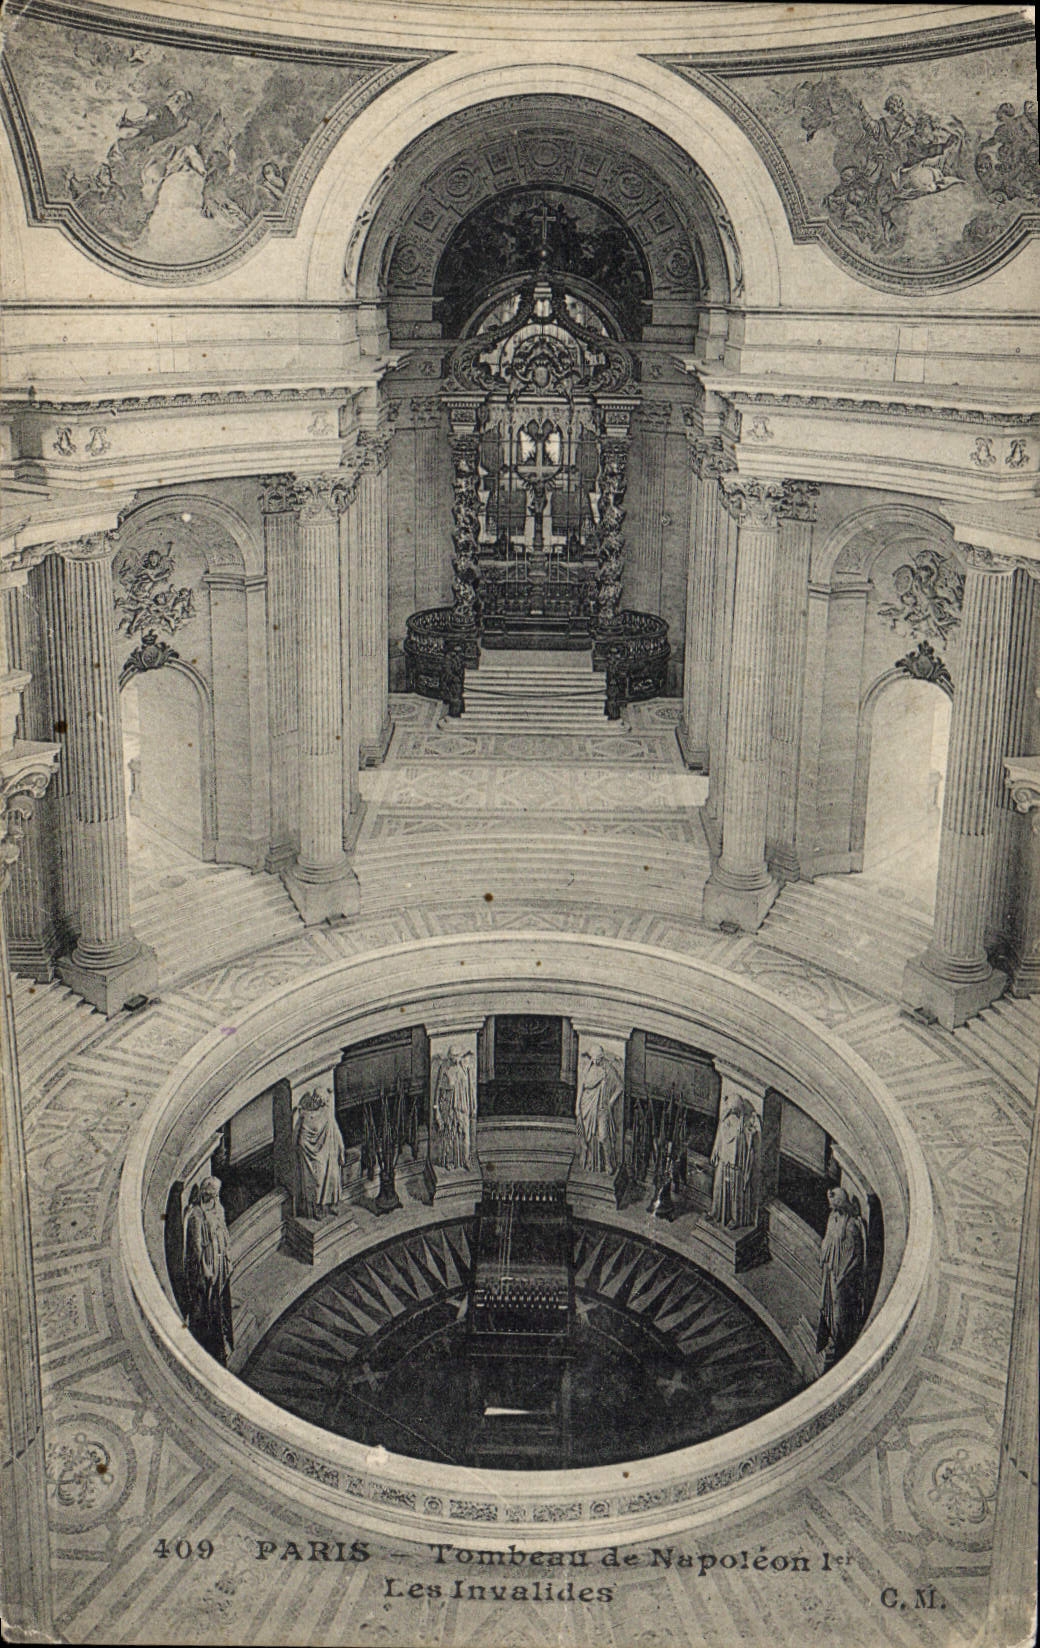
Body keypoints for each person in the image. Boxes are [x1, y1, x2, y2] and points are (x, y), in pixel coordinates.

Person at [182, 1177, 233, 1364]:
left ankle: (221, 1340)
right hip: (208, 1264)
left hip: (219, 1261)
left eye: (216, 1194)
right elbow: (196, 1247)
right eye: (212, 1194)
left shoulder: (218, 1209)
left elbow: (224, 1233)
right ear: (206, 1193)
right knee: (208, 1304)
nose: (215, 1198)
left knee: (218, 1300)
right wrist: (205, 1268)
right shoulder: (196, 1216)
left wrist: (226, 1254)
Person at [817, 1185, 867, 1368]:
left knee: (840, 1310)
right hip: (832, 1269)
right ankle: (833, 1337)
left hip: (843, 1275)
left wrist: (844, 1276)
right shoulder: (833, 1218)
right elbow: (827, 1241)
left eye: (834, 1203)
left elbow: (856, 1255)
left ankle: (838, 1342)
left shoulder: (852, 1226)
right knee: (829, 1304)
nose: (832, 1207)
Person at [292, 1080, 346, 1219]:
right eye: (316, 1099)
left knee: (333, 1178)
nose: (317, 1101)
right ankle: (317, 1208)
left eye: (320, 1100)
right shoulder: (305, 1115)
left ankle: (331, 1204)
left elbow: (336, 1132)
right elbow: (299, 1138)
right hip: (312, 1156)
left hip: (329, 1153)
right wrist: (305, 1149)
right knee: (317, 1182)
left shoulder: (327, 1114)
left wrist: (341, 1149)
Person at [709, 1094, 760, 1228]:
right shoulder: (726, 1121)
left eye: (734, 1109)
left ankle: (735, 1219)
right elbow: (720, 1138)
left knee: (734, 1195)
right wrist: (716, 1151)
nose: (731, 1112)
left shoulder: (743, 1128)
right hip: (724, 1162)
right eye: (731, 1109)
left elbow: (749, 1148)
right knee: (719, 1189)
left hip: (735, 1166)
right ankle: (718, 1213)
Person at [575, 1044, 623, 1173]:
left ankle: (608, 1163)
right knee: (588, 1135)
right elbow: (581, 1088)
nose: (595, 1061)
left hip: (602, 1108)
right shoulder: (587, 1069)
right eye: (594, 1058)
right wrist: (577, 1106)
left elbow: (620, 1087)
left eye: (598, 1058)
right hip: (587, 1105)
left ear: (602, 1057)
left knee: (603, 1137)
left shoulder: (608, 1069)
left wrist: (610, 1103)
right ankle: (591, 1160)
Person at [434, 1047, 477, 1170]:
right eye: (454, 1056)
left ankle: (466, 1159)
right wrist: (437, 1110)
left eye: (458, 1056)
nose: (457, 1059)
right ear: (451, 1057)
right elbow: (439, 1092)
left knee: (465, 1134)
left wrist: (472, 1106)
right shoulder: (446, 1071)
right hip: (450, 1108)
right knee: (450, 1134)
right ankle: (449, 1160)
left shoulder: (464, 1070)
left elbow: (470, 1088)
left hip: (463, 1107)